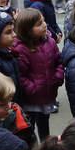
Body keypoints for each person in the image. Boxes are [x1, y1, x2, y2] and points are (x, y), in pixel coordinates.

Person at [12, 8, 64, 141]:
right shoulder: (20, 49)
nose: (45, 24)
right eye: (39, 24)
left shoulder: (50, 42)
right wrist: (33, 88)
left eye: (43, 21)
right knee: (29, 128)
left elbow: (58, 61)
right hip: (31, 99)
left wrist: (58, 76)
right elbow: (20, 75)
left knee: (44, 126)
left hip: (47, 94)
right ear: (27, 30)